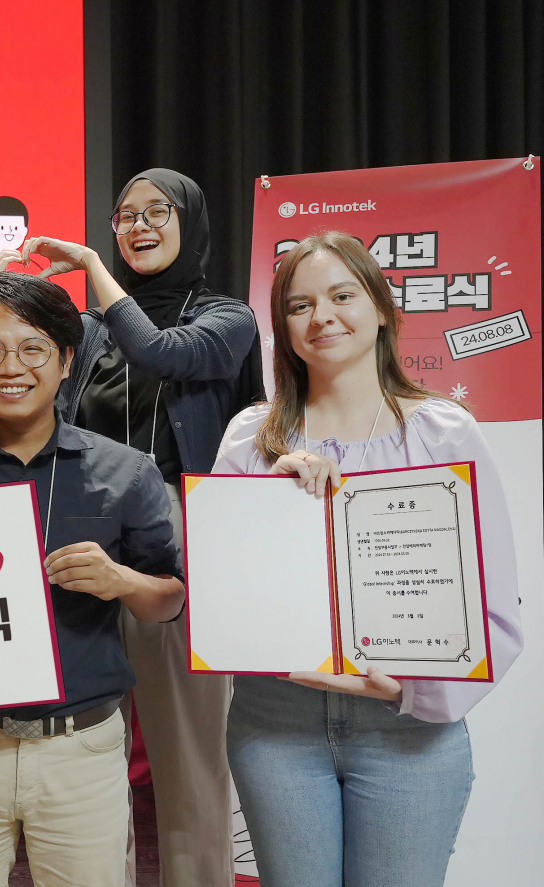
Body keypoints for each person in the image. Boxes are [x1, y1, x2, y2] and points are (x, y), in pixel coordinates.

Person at [213, 232, 523, 887]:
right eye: (300, 305)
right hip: (276, 722)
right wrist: (272, 498)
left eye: (341, 295)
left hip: (409, 725)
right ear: (283, 329)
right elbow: (217, 593)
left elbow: (493, 602)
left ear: (381, 307)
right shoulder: (249, 438)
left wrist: (418, 690)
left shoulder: (444, 431)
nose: (322, 315)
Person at [13, 169, 263, 887]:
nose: (139, 226)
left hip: (178, 539)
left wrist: (91, 266)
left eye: (158, 212)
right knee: (90, 759)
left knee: (188, 757)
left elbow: (165, 354)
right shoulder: (87, 331)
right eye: (125, 216)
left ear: (190, 221)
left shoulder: (227, 316)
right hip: (81, 530)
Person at [0, 273, 184, 887]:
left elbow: (170, 601)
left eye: (32, 348)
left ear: (66, 360)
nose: (11, 367)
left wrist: (120, 581)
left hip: (80, 745)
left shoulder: (126, 472)